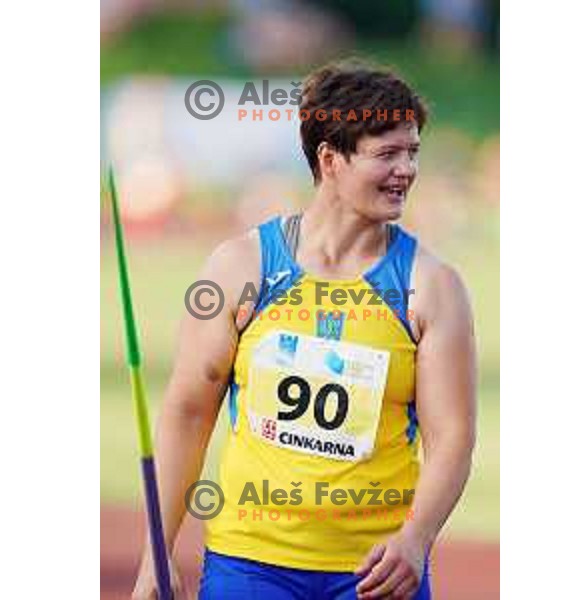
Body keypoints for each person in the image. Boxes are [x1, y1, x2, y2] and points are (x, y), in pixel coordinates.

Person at [132, 61, 477, 600]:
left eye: (412, 152)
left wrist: (416, 539)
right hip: (251, 565)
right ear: (330, 159)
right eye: (387, 154)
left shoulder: (432, 287)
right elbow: (188, 411)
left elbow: (451, 436)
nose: (406, 170)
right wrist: (158, 548)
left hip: (376, 571)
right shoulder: (241, 267)